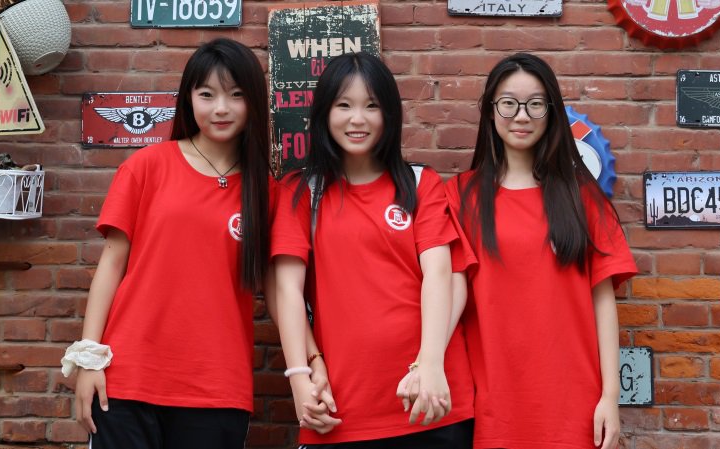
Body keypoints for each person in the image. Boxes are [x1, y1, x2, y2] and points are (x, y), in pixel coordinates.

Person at [60, 37, 272, 449]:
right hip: (127, 380)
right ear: (189, 99)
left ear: (254, 102)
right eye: (207, 95)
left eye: (236, 95)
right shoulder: (147, 166)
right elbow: (111, 265)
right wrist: (88, 359)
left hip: (216, 389)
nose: (221, 108)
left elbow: (281, 289)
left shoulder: (266, 191)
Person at [273, 52, 475, 448]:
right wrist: (299, 376)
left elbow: (441, 274)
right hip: (342, 408)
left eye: (371, 106)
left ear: (390, 114)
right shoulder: (302, 192)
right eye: (343, 106)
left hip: (430, 400)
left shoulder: (420, 184)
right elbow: (287, 291)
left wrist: (430, 363)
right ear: (324, 113)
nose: (357, 119)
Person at [446, 53, 637, 449]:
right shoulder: (460, 196)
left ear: (551, 111)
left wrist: (610, 396)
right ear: (490, 110)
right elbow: (447, 293)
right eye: (508, 103)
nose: (522, 116)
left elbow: (603, 300)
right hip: (493, 403)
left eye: (535, 104)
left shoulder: (582, 198)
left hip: (573, 402)